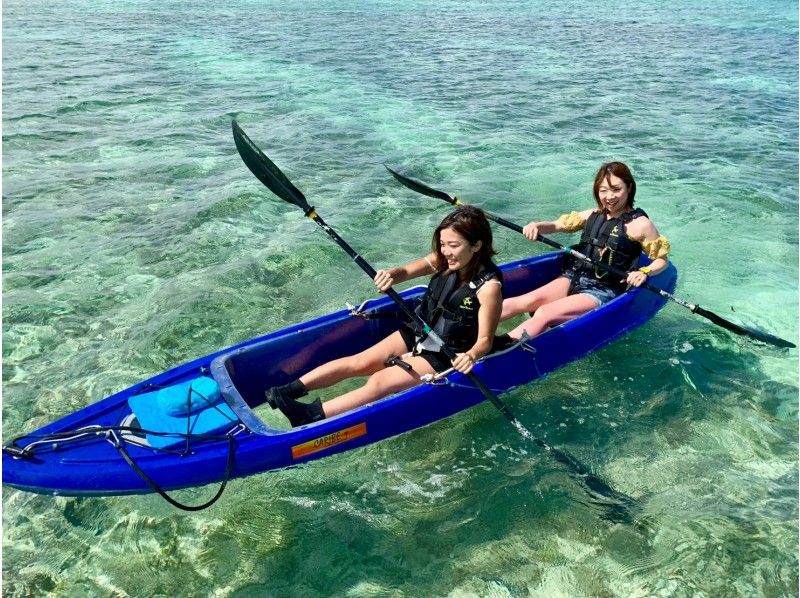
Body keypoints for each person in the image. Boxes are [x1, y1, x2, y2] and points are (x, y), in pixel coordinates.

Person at [265, 205, 504, 427]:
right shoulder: (442, 260)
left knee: (379, 382)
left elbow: (485, 340)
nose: (445, 252)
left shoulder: (489, 288)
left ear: (477, 245)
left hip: (446, 352)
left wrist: (471, 356)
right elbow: (406, 271)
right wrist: (390, 275)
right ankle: (288, 391)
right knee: (359, 362)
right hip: (420, 331)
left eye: (454, 245)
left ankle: (310, 415)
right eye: (443, 244)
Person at [501, 161, 670, 339]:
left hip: (603, 289)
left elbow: (662, 260)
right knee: (525, 301)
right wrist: (536, 226)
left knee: (544, 312)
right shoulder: (592, 214)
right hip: (575, 276)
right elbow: (557, 225)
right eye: (603, 190)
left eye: (616, 190)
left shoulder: (641, 224)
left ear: (629, 187)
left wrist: (645, 271)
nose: (609, 197)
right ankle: (472, 330)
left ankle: (497, 350)